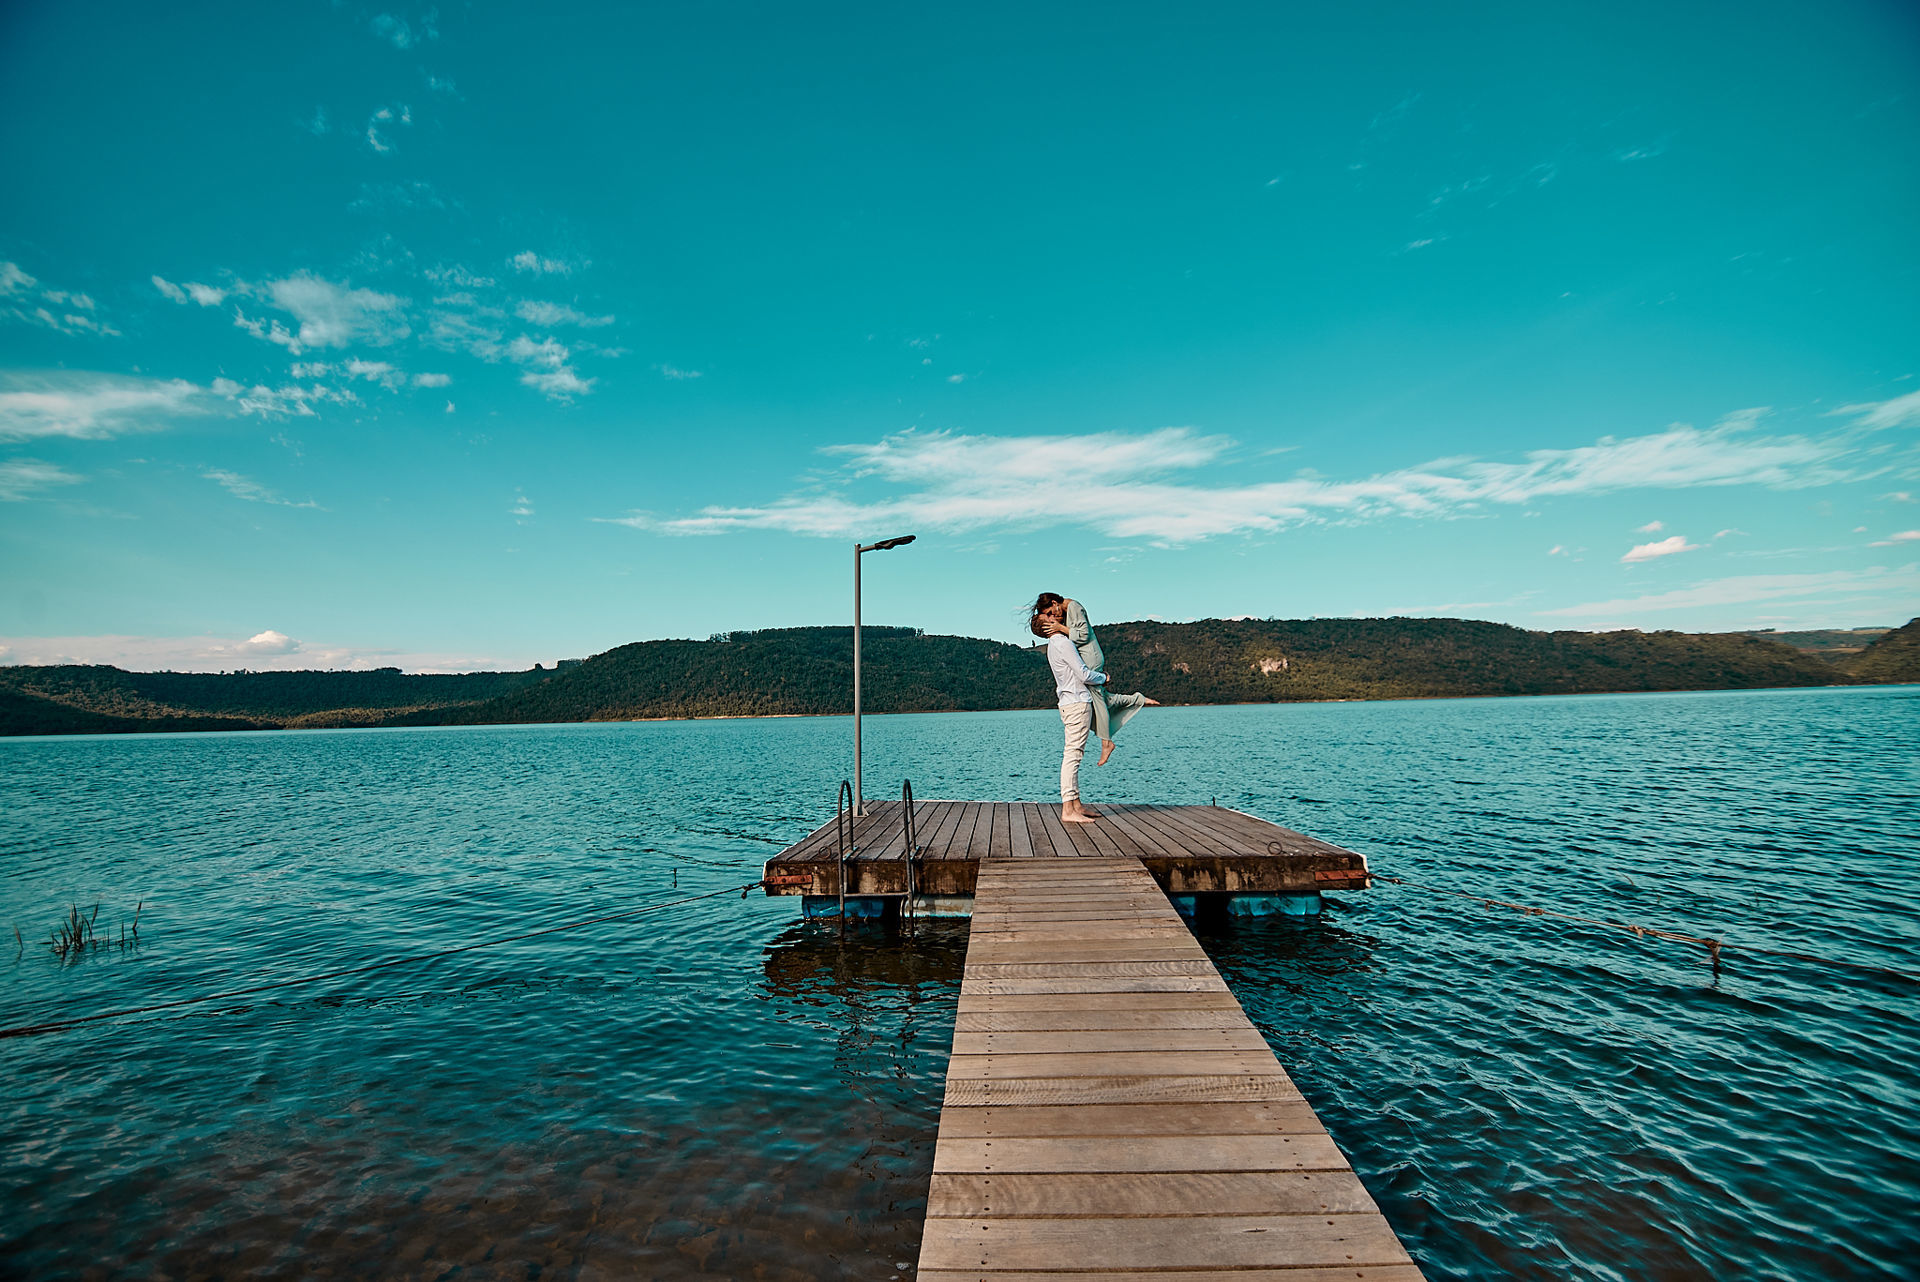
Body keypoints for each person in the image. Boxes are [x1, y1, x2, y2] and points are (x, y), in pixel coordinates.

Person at [1032, 593, 1153, 766]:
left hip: (1090, 656)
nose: (1053, 617)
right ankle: (1137, 700)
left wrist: (1061, 628)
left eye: (1051, 612)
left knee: (1097, 700)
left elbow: (1083, 635)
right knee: (1102, 698)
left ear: (1054, 602)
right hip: (1085, 656)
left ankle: (1106, 743)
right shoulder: (1067, 612)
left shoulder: (1074, 607)